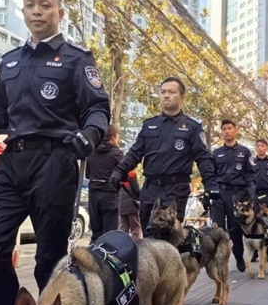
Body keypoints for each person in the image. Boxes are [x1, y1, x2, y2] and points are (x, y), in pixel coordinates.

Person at [0, 0, 110, 305]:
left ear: (59, 13)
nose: (36, 11)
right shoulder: (10, 61)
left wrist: (89, 135)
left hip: (56, 163)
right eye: (30, 4)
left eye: (45, 5)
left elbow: (97, 108)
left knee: (49, 259)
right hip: (12, 161)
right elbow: (3, 110)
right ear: (23, 10)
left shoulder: (77, 59)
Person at [109, 77, 219, 230]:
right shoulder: (149, 125)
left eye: (171, 92)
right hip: (150, 190)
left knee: (169, 236)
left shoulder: (192, 127)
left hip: (175, 190)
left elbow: (203, 158)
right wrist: (119, 171)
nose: (166, 95)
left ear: (182, 98)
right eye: (163, 92)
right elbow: (134, 153)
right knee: (148, 236)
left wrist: (211, 185)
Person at [211, 120, 256, 272]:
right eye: (224, 129)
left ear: (236, 131)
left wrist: (251, 195)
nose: (227, 131)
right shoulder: (216, 153)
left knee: (235, 228)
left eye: (229, 128)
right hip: (220, 193)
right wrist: (209, 192)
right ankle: (218, 262)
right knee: (217, 229)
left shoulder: (244, 152)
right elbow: (211, 175)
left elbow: (250, 175)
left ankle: (238, 256)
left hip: (237, 194)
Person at [86, 125, 123, 243]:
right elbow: (124, 175)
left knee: (96, 233)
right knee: (110, 234)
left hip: (93, 194)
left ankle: (92, 252)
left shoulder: (92, 152)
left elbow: (88, 175)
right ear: (113, 137)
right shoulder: (117, 153)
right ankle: (106, 254)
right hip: (109, 194)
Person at [119, 170, 142, 240]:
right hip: (132, 205)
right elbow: (135, 188)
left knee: (123, 228)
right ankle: (136, 243)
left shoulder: (118, 172)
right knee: (135, 228)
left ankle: (121, 243)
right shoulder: (131, 173)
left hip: (121, 205)